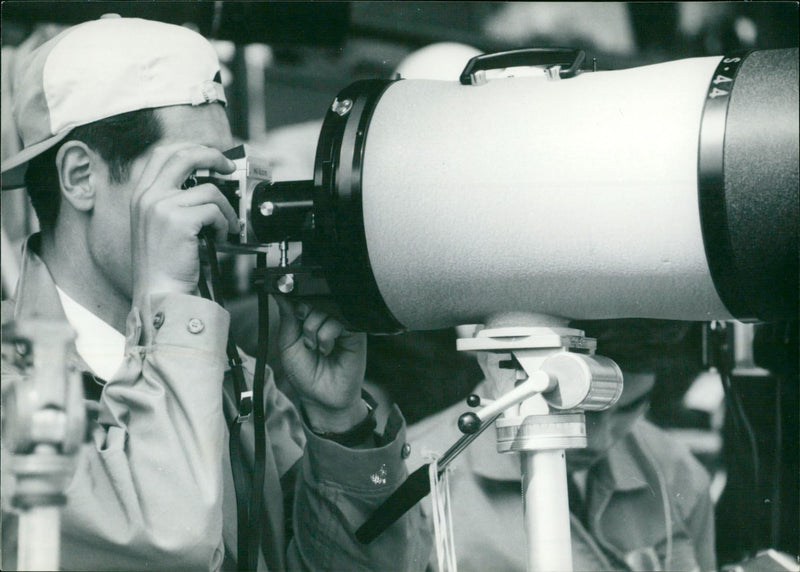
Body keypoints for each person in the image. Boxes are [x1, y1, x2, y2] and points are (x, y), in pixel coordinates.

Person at [0, 16, 429, 571]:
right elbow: (167, 541)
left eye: (227, 175)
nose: (220, 212)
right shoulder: (17, 393)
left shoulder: (239, 384)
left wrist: (339, 424)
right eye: (191, 177)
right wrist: (169, 303)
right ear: (81, 175)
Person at [406, 320, 717, 572]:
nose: (600, 440)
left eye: (629, 408)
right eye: (579, 408)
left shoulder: (679, 474)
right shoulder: (410, 482)